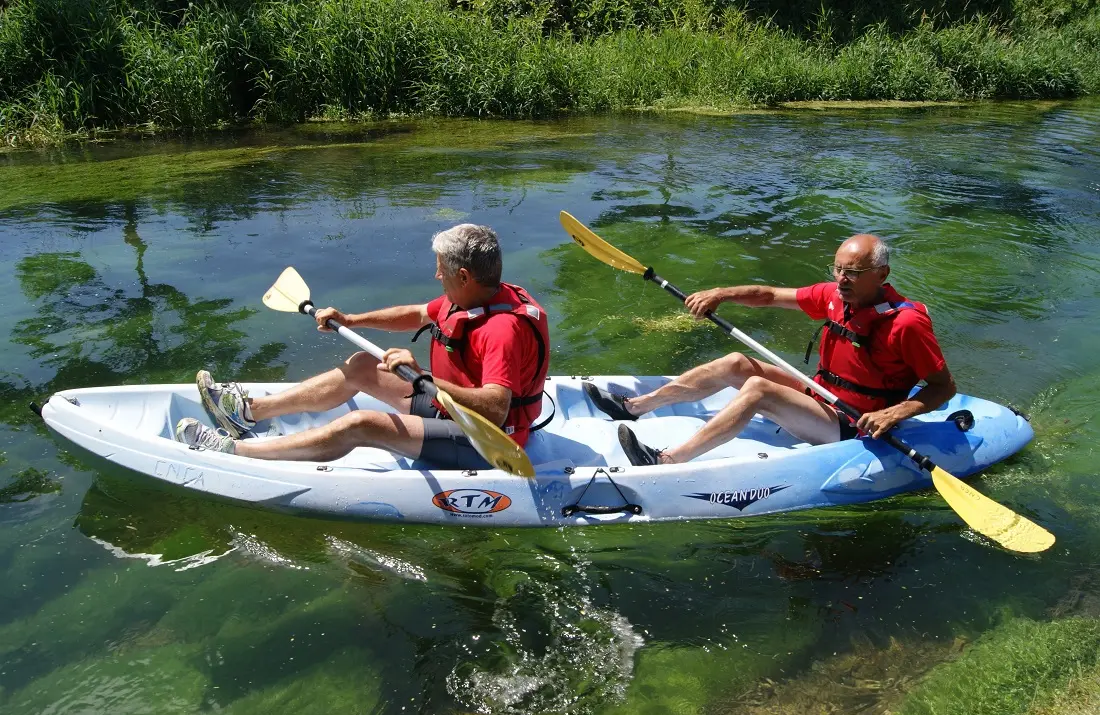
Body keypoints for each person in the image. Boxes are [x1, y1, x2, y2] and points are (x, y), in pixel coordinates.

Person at [173, 224, 550, 470]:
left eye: (442, 270)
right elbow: (417, 313)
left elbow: (497, 411)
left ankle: (234, 454)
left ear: (464, 276)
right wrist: (352, 320)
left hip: (485, 440)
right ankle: (248, 412)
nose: (437, 275)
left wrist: (422, 378)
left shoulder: (502, 330)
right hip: (448, 408)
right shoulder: (470, 297)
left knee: (361, 424)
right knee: (362, 365)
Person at [584, 234, 956, 466]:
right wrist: (722, 294)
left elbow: (943, 387)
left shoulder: (906, 324)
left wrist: (895, 413)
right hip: (821, 396)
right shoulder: (835, 295)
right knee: (736, 363)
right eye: (838, 269)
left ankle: (667, 461)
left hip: (854, 423)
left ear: (882, 275)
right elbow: (770, 295)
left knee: (759, 389)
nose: (841, 279)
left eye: (853, 273)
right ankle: (632, 408)